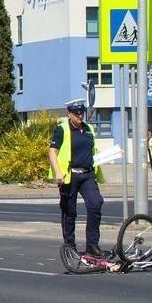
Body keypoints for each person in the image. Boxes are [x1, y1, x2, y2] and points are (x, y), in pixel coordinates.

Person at [48, 99, 105, 257]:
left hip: (87, 174)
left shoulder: (89, 129)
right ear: (69, 113)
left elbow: (92, 151)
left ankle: (92, 245)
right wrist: (57, 172)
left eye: (82, 112)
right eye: (76, 113)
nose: (80, 115)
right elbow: (52, 152)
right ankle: (70, 246)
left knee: (95, 204)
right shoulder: (62, 130)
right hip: (69, 175)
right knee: (69, 211)